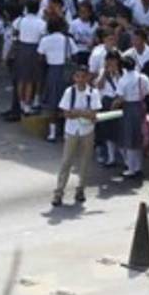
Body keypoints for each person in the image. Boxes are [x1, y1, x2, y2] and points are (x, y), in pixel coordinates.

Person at [53, 67, 101, 207]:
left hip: (87, 131)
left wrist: (78, 112)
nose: (80, 80)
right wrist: (84, 113)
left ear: (87, 78)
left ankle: (80, 189)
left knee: (85, 162)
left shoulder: (93, 93)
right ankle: (59, 192)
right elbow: (66, 113)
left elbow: (94, 114)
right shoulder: (69, 92)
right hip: (72, 131)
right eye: (78, 77)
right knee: (66, 162)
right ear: (74, 78)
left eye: (83, 77)